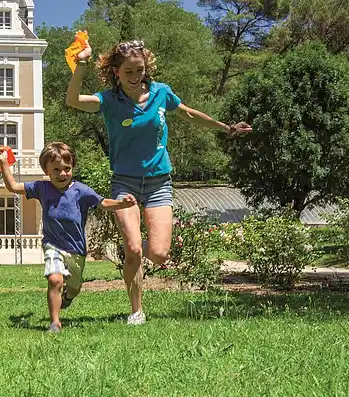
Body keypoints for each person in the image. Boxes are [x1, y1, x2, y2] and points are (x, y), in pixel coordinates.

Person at [66, 36, 252, 324]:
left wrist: (225, 128)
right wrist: (81, 65)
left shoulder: (161, 93)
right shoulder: (109, 100)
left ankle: (138, 274)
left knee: (159, 253)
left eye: (138, 70)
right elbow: (73, 101)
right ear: (116, 71)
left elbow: (189, 113)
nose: (134, 76)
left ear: (146, 68)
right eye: (127, 71)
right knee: (134, 248)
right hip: (124, 183)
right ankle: (136, 310)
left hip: (158, 182)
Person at [0, 142, 137, 333]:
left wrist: (122, 203)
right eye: (56, 169)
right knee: (55, 280)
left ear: (73, 168)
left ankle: (68, 297)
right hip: (53, 244)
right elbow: (13, 186)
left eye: (67, 169)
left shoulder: (81, 191)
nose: (62, 174)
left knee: (74, 287)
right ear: (46, 171)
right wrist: (4, 164)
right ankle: (55, 323)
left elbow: (103, 203)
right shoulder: (41, 188)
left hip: (76, 250)